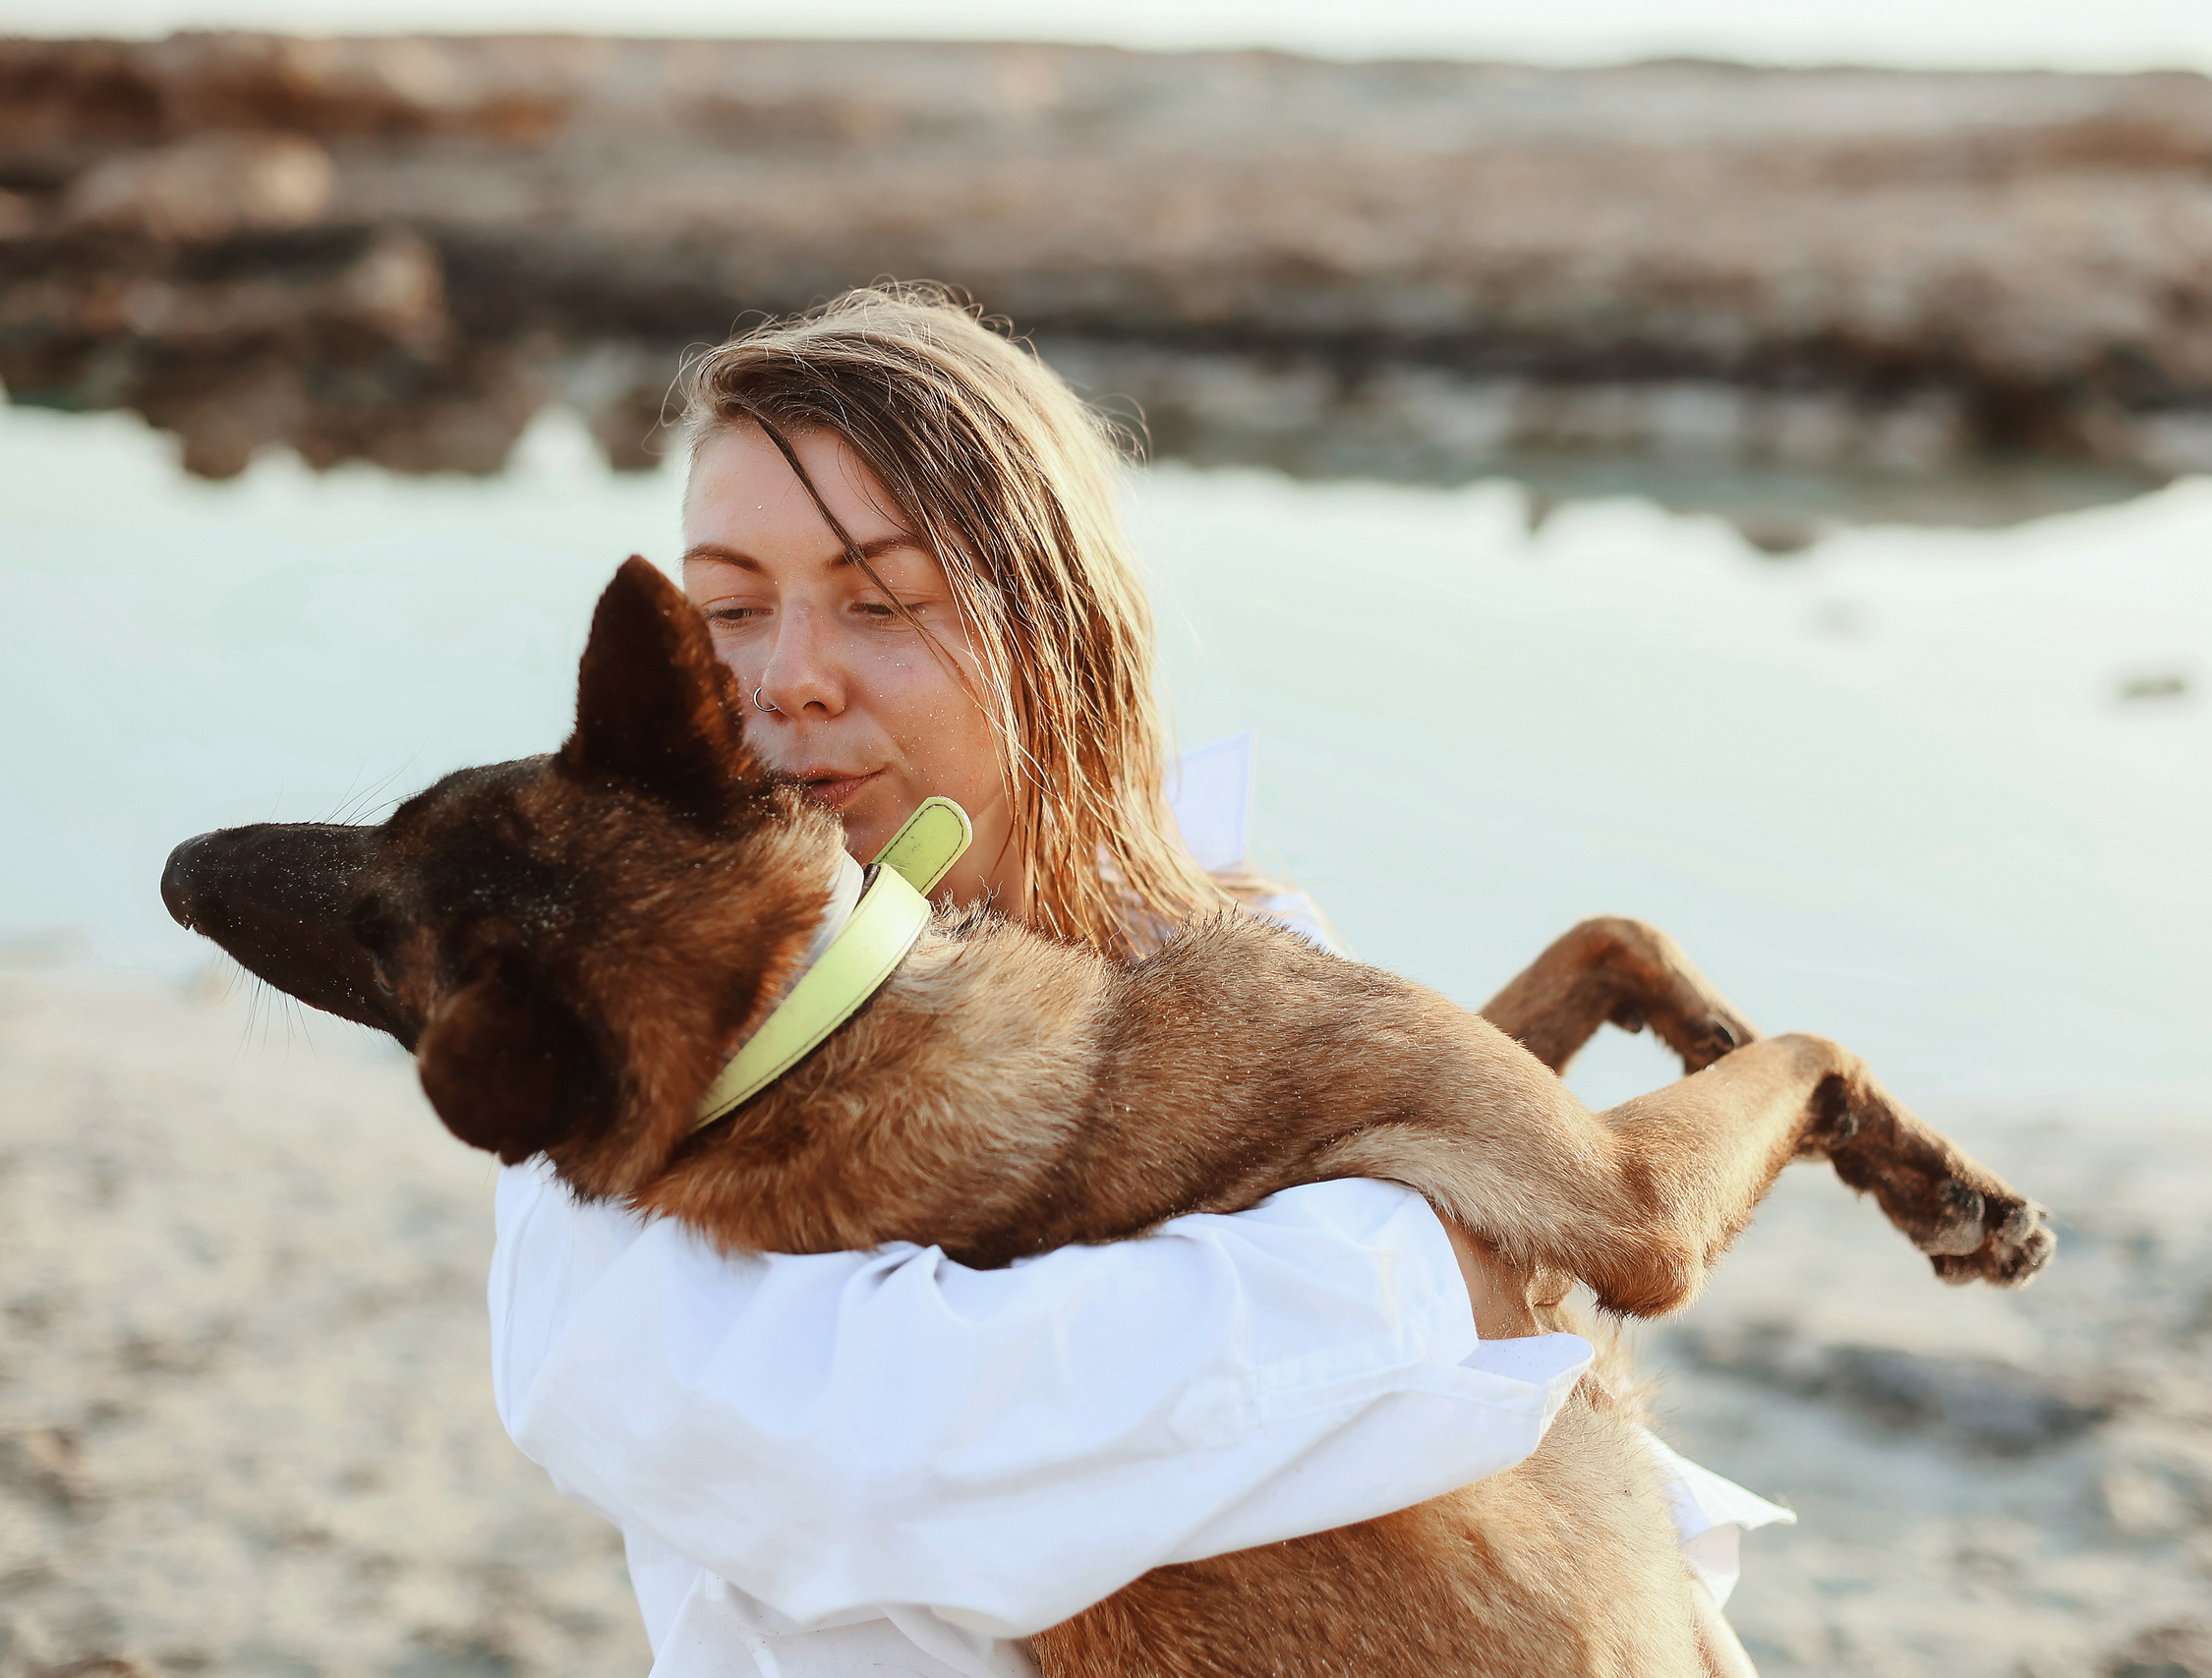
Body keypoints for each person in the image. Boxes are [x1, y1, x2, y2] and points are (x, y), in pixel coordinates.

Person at [489, 284, 1785, 1678]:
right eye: (730, 606)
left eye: (879, 598)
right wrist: (1445, 1261)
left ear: (1054, 627)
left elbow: (1558, 1464)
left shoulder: (1232, 943)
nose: (787, 676)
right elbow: (894, 1462)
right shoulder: (632, 1067)